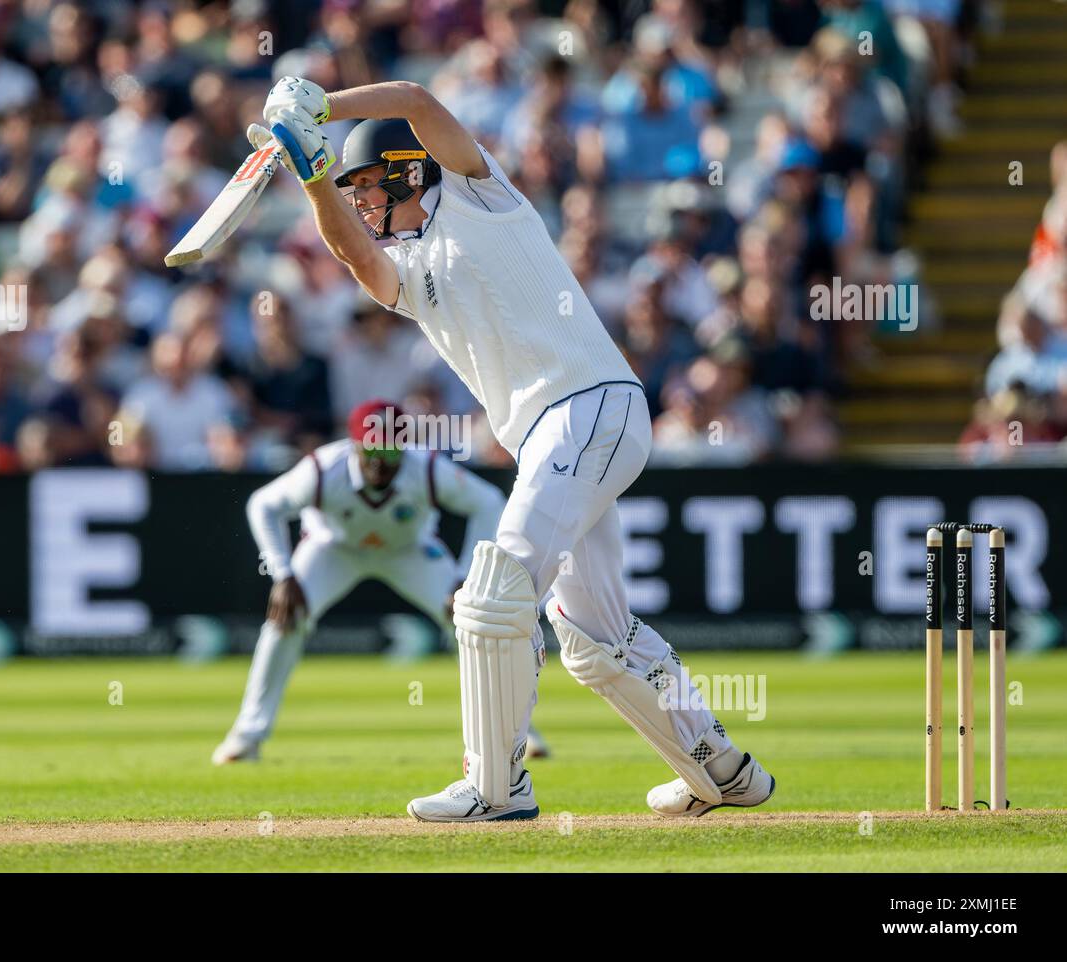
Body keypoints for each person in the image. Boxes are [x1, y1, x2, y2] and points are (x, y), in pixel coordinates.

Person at [249, 77, 775, 820]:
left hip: (586, 405)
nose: (361, 202)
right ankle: (721, 769)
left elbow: (417, 101)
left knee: (495, 594)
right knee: (595, 638)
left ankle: (497, 787)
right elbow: (352, 255)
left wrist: (322, 105)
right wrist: (311, 173)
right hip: (556, 436)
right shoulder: (408, 271)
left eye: (366, 185)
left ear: (407, 169)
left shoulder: (478, 196)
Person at [212, 399, 553, 764]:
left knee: (472, 621)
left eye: (390, 450)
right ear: (355, 444)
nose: (380, 461)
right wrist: (282, 573)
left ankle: (514, 735)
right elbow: (262, 505)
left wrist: (464, 578)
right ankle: (247, 737)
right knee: (284, 621)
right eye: (372, 449)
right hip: (333, 548)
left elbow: (487, 502)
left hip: (409, 551)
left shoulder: (426, 469)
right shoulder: (324, 469)